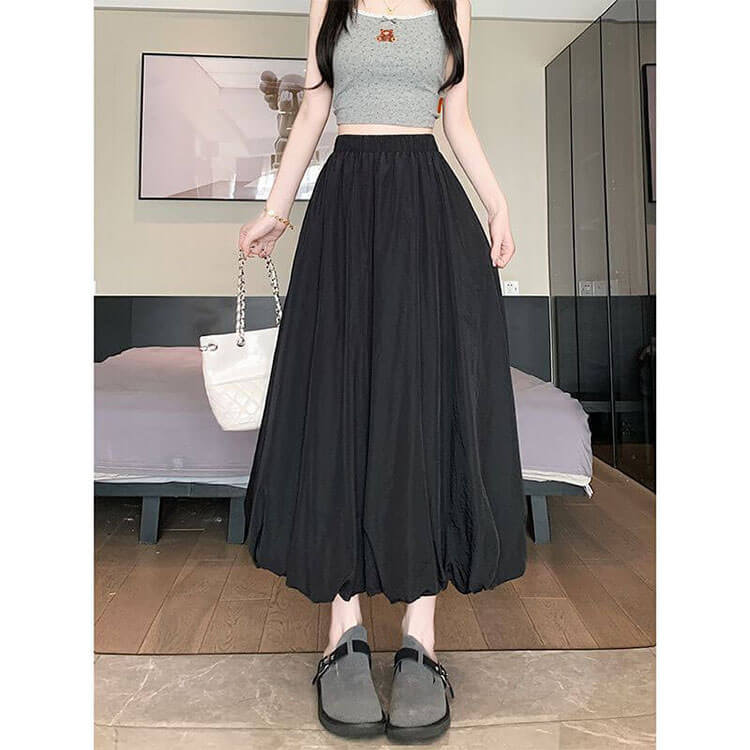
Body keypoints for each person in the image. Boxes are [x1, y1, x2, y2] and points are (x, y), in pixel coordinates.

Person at [238, 0, 525, 742]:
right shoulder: (330, 4)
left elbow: (457, 118)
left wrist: (497, 205)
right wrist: (277, 210)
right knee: (341, 402)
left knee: (420, 402)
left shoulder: (455, 7)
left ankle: (420, 639)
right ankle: (345, 633)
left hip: (426, 209)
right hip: (344, 209)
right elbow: (314, 112)